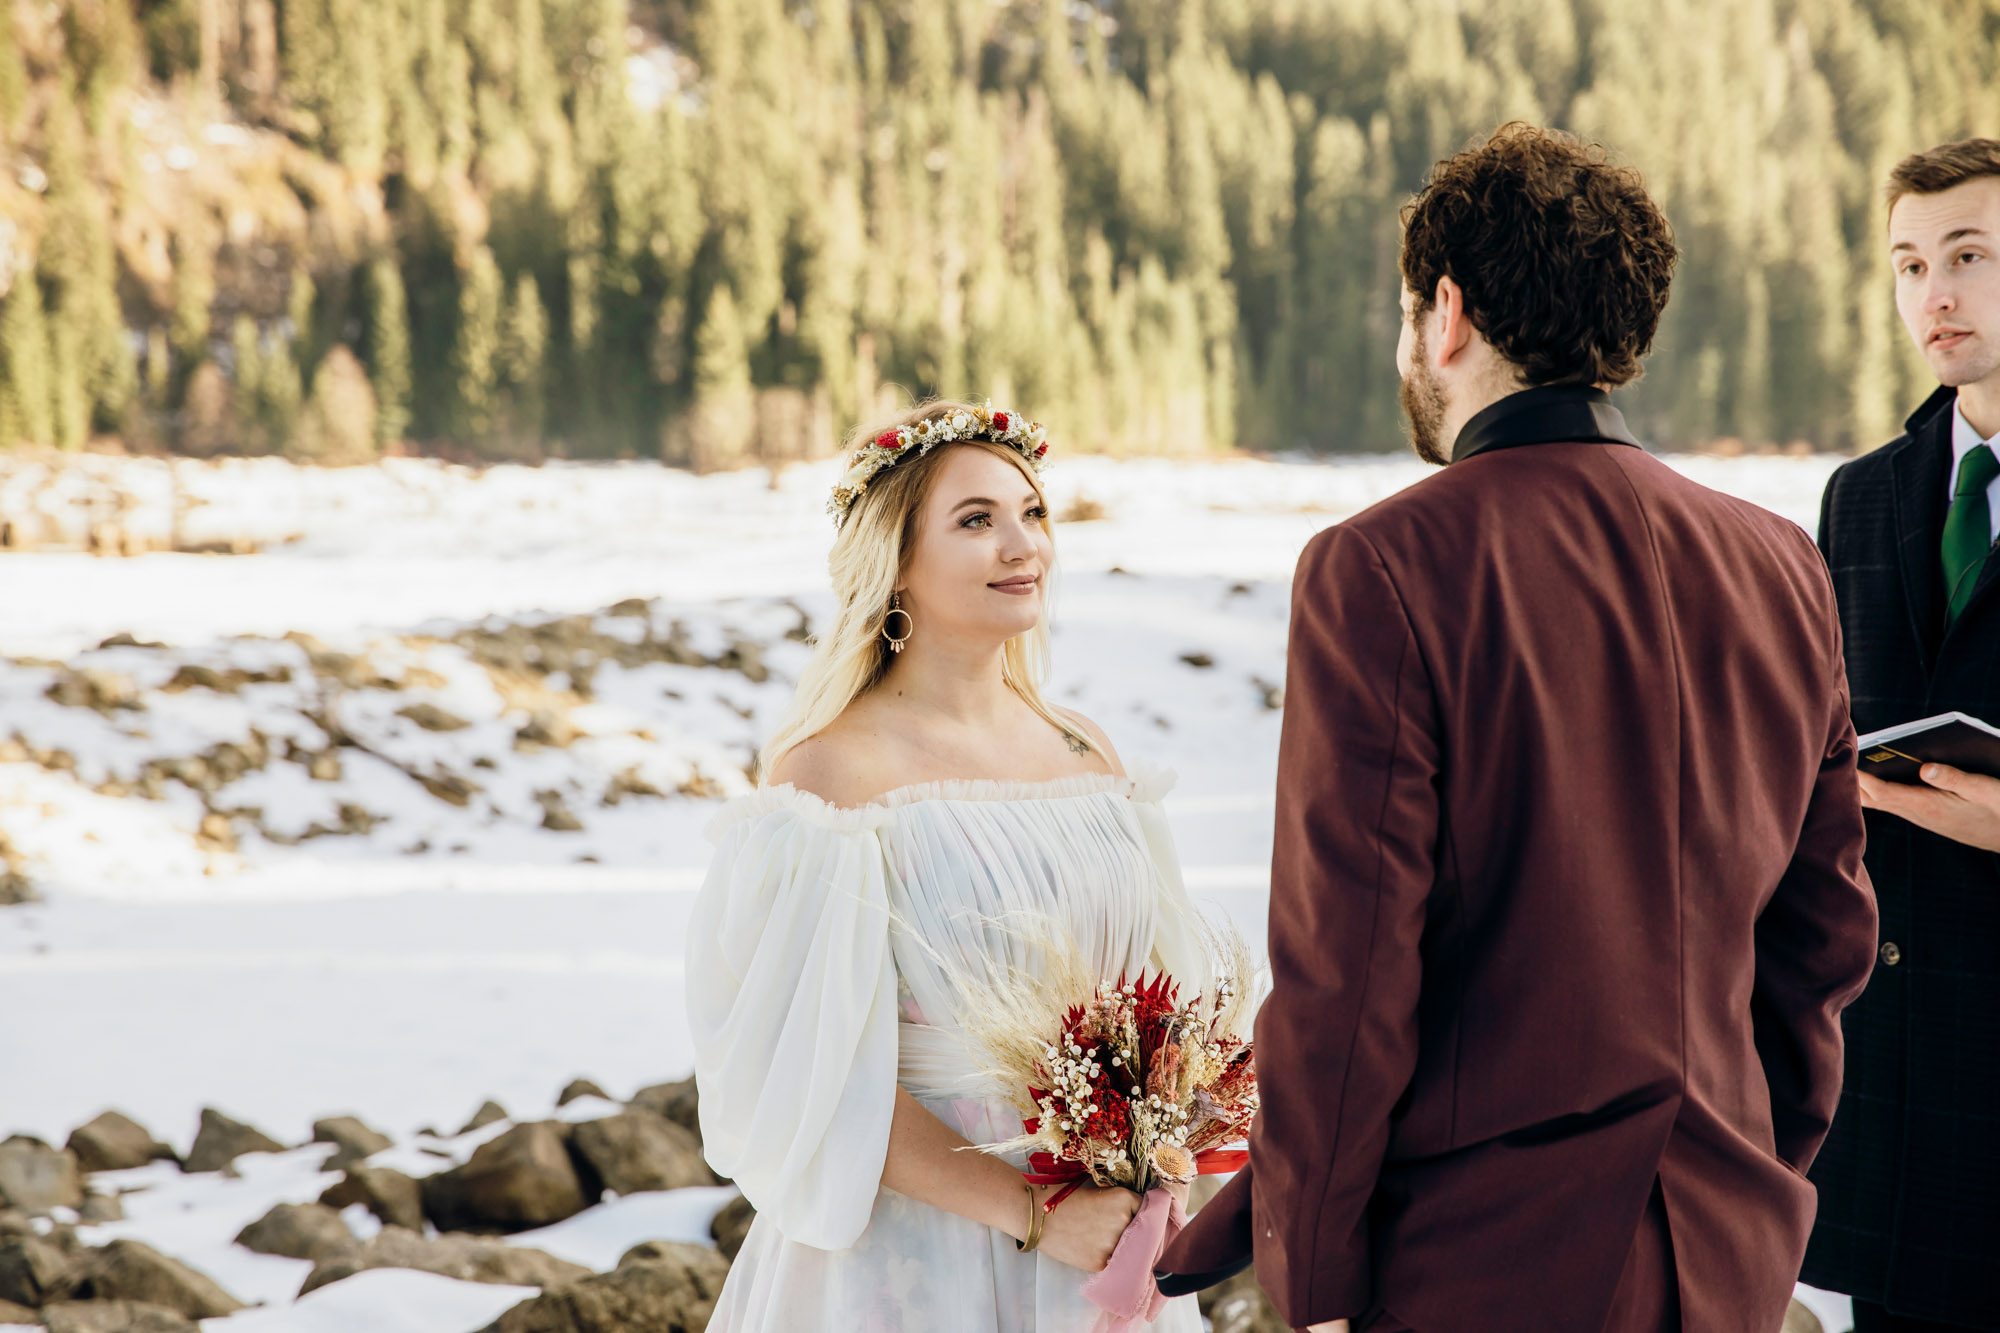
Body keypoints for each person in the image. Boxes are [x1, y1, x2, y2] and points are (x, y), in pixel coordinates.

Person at [1157, 123, 1879, 1333]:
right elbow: (1821, 943)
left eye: (1406, 311)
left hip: (1480, 1264)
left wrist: (1314, 1277)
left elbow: (1349, 971)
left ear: (1446, 314)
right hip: (1725, 1253)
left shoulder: (1380, 565)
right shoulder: (1780, 564)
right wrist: (1752, 1169)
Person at [684, 399, 1203, 1331]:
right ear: (898, 563)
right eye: (976, 520)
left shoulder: (1087, 752)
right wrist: (1034, 1214)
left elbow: (1152, 1003)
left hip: (1104, 1241)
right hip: (919, 1252)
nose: (1023, 545)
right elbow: (817, 1067)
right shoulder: (831, 774)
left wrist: (1153, 1158)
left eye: (1032, 513)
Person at [1802, 137, 2000, 1332]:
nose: (1932, 293)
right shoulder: (1860, 495)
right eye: (1907, 263)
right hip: (1898, 1101)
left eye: (1969, 256)